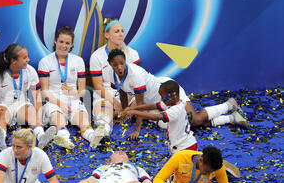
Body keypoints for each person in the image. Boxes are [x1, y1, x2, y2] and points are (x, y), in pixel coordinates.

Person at [106, 49, 250, 139]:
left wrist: (137, 130)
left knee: (196, 120)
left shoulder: (135, 75)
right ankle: (232, 117)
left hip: (168, 92)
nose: (119, 67)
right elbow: (123, 92)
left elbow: (141, 103)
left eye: (121, 63)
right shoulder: (112, 73)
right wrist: (125, 111)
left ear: (125, 61)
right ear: (111, 65)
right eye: (115, 64)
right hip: (156, 102)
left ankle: (228, 105)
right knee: (180, 125)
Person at [38, 26, 104, 149]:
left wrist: (74, 92)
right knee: (59, 121)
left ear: (72, 45)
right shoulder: (45, 62)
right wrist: (60, 103)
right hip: (53, 101)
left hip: (73, 100)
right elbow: (45, 91)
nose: (64, 46)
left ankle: (93, 137)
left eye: (67, 43)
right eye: (61, 42)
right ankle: (64, 139)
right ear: (55, 42)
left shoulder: (78, 61)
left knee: (84, 123)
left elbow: (82, 91)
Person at [0, 43, 56, 151]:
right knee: (3, 116)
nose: (28, 60)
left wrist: (39, 117)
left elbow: (37, 97)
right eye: (24, 57)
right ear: (13, 61)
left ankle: (41, 137)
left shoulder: (30, 71)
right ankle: (1, 140)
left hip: (21, 103)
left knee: (31, 114)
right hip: (2, 104)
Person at [89, 18, 141, 138]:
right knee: (102, 116)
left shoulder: (132, 54)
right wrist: (115, 102)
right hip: (107, 95)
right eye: (117, 31)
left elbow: (136, 84)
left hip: (129, 95)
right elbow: (97, 86)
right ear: (107, 34)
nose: (121, 34)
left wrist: (124, 102)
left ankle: (166, 122)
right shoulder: (97, 56)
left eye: (122, 31)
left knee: (146, 100)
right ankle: (103, 131)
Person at [121, 80, 197, 154]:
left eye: (162, 97)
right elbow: (154, 106)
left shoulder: (176, 110)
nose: (161, 99)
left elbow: (156, 117)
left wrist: (134, 112)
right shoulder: (173, 102)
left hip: (185, 148)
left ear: (172, 96)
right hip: (182, 146)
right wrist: (133, 108)